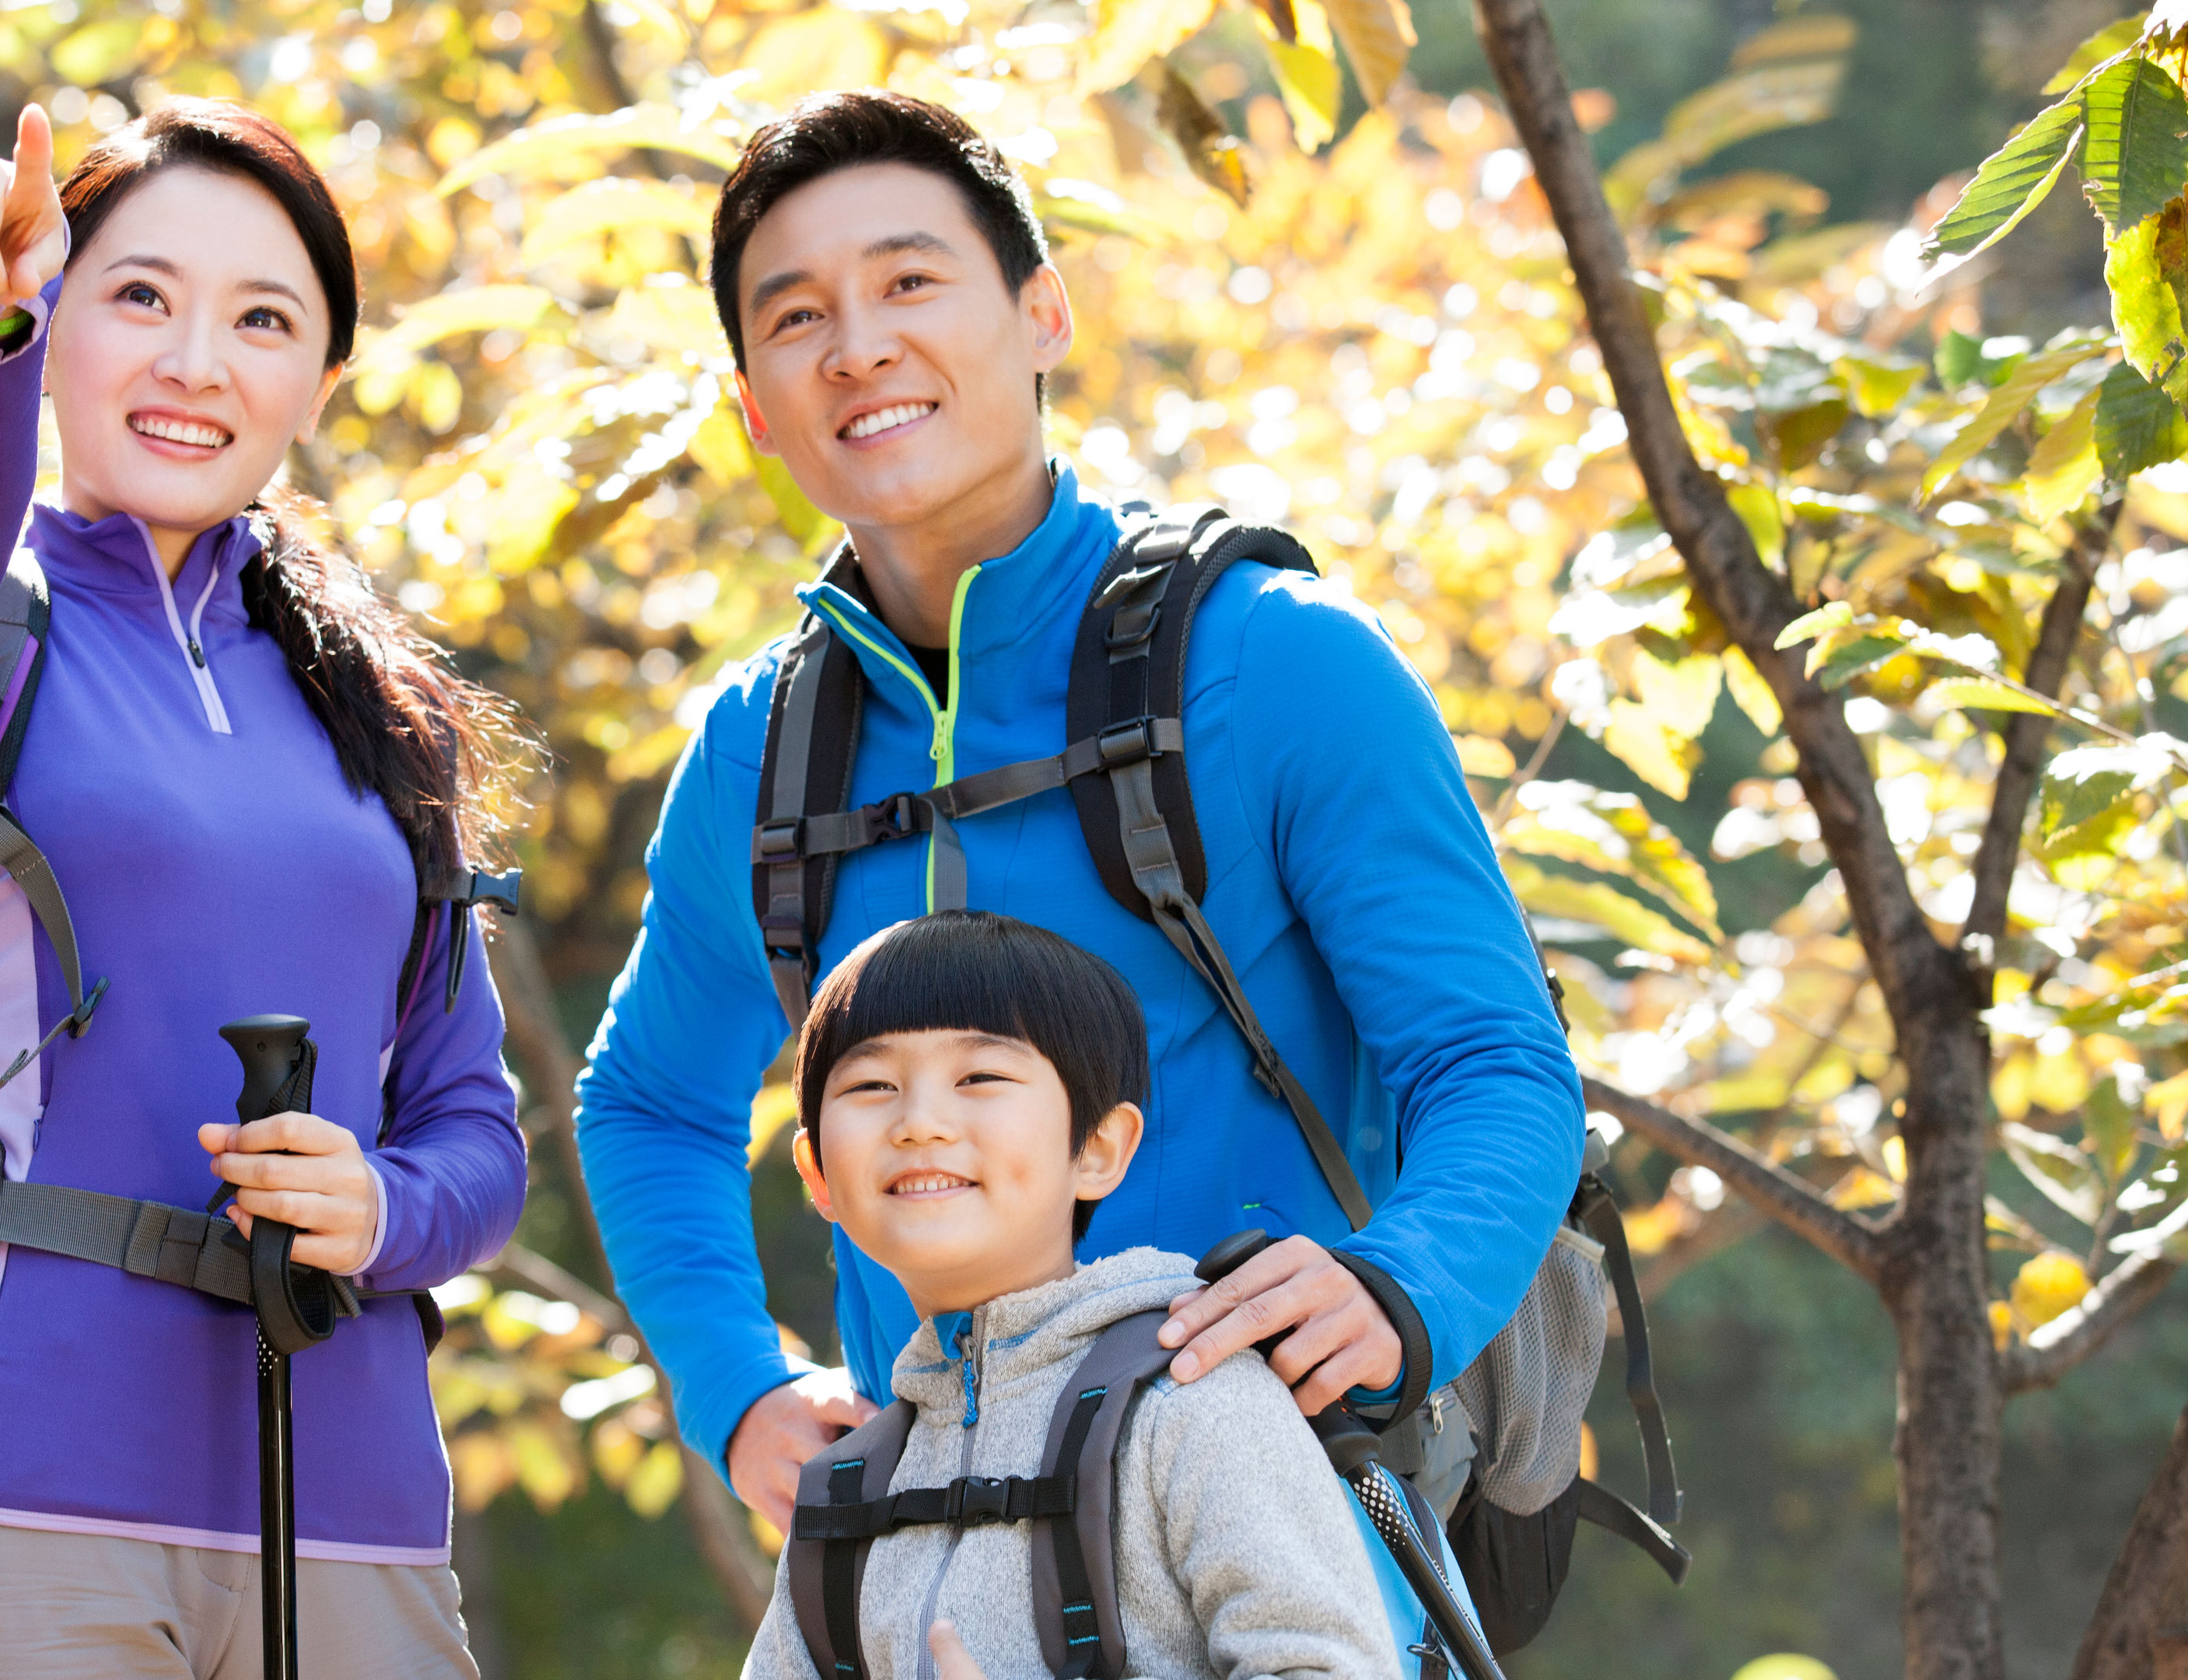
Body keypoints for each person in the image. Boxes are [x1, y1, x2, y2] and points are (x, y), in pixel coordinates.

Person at [572, 89, 1584, 1531]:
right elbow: (649, 1103)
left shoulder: (1279, 661)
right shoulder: (760, 748)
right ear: (753, 406)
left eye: (910, 282)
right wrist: (735, 1389)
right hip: (927, 1563)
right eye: (795, 318)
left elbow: (1494, 1062)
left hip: (1283, 1539)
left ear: (1043, 313)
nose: (859, 348)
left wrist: (1397, 1284)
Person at [0, 98, 527, 1677]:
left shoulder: (382, 714)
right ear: (55, 322)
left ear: (323, 381)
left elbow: (478, 1135)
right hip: (12, 1507)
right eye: (140, 296)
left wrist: (380, 1205)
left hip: (363, 1531)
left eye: (263, 319)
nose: (197, 361)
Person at [744, 912, 1392, 1680]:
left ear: (1098, 1149)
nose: (919, 1122)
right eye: (872, 1085)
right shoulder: (845, 1493)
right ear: (817, 1172)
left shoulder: (1192, 1398)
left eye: (980, 1077)